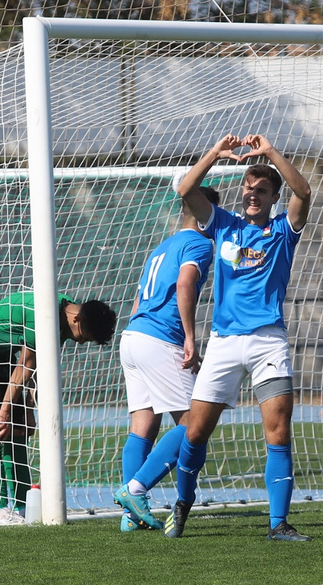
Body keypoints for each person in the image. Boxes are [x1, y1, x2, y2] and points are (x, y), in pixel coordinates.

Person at [158, 133, 312, 541]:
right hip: (224, 343)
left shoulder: (283, 230)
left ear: (273, 196)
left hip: (268, 342)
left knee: (278, 431)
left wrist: (271, 153)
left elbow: (304, 190)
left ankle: (278, 524)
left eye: (261, 190)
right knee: (194, 432)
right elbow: (185, 188)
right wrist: (214, 154)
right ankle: (183, 504)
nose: (252, 196)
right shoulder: (223, 225)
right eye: (248, 189)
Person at [0, 291, 117, 525]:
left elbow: (39, 365)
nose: (80, 342)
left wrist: (28, 409)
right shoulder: (43, 314)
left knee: (18, 431)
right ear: (76, 319)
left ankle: (22, 506)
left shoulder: (62, 320)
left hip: (3, 354)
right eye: (83, 336)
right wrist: (5, 411)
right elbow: (26, 365)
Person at [113, 187, 220, 532]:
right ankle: (135, 489)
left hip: (132, 336)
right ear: (205, 214)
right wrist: (190, 337)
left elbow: (137, 297)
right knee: (193, 424)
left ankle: (131, 517)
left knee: (143, 427)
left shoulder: (162, 247)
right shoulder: (201, 244)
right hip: (161, 339)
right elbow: (186, 285)